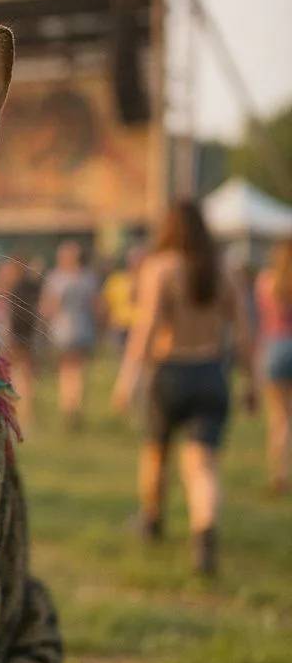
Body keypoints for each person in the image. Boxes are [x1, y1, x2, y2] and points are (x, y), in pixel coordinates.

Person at [112, 200, 255, 575]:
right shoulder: (224, 269)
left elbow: (145, 329)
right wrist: (251, 381)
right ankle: (204, 536)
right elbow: (244, 334)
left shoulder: (160, 267)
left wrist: (128, 380)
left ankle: (152, 521)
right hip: (211, 372)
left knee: (156, 453)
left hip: (170, 373)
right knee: (202, 464)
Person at [40, 240, 99, 428]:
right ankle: (76, 405)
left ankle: (68, 406)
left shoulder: (56, 278)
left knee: (66, 369)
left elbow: (49, 306)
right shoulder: (88, 278)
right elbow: (96, 306)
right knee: (79, 369)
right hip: (84, 328)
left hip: (62, 330)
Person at [255, 238, 292, 495]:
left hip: (273, 347)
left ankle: (279, 472)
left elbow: (261, 319)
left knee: (278, 418)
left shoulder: (265, 281)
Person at [0, 257, 42, 430]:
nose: (5, 275)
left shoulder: (12, 294)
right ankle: (19, 414)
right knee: (18, 376)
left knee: (16, 376)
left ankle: (20, 414)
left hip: (11, 339)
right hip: (11, 339)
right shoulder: (18, 291)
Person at [102, 244, 145, 353]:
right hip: (120, 325)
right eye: (134, 259)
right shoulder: (116, 280)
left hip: (141, 325)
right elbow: (106, 303)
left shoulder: (149, 280)